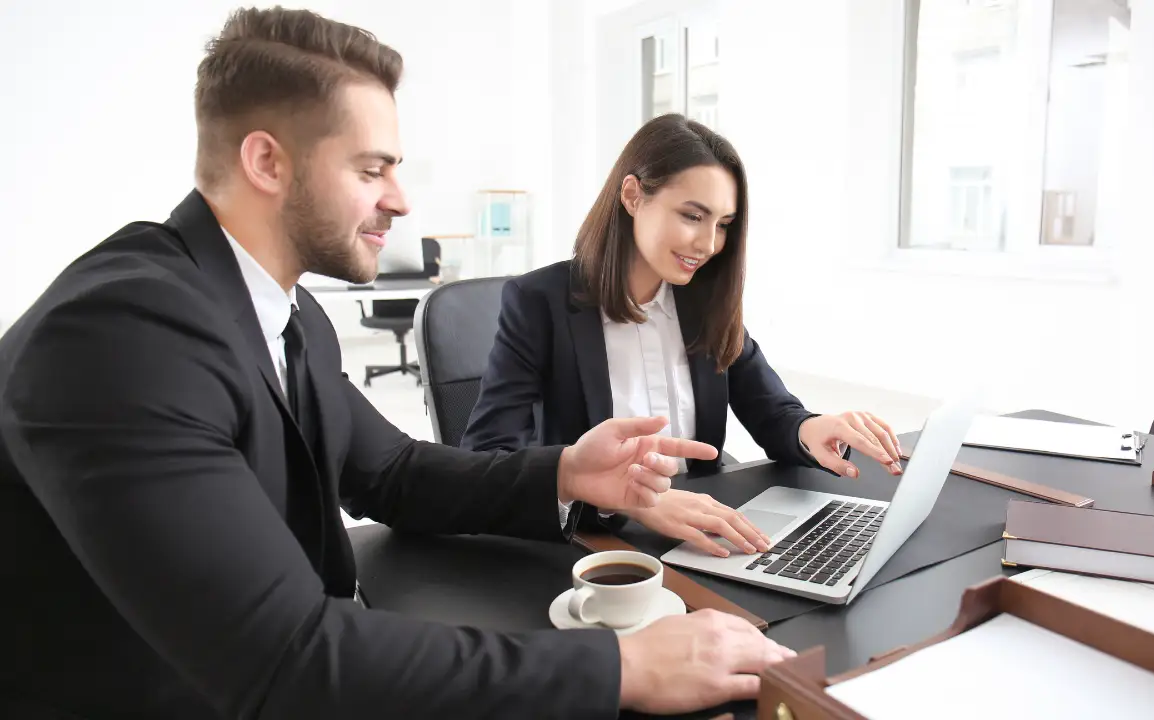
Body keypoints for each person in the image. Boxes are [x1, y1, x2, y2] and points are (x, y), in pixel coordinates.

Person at [0, 8, 794, 719]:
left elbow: (394, 472)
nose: (403, 199)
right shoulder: (124, 334)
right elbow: (289, 661)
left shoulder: (289, 315)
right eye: (373, 169)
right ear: (267, 163)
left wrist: (565, 475)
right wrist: (617, 667)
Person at [462, 114, 904, 558]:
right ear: (632, 196)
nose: (709, 244)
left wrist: (813, 428)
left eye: (724, 224)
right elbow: (487, 456)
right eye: (693, 216)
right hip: (598, 544)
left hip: (703, 531)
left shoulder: (704, 300)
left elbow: (772, 412)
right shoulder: (539, 302)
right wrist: (631, 502)